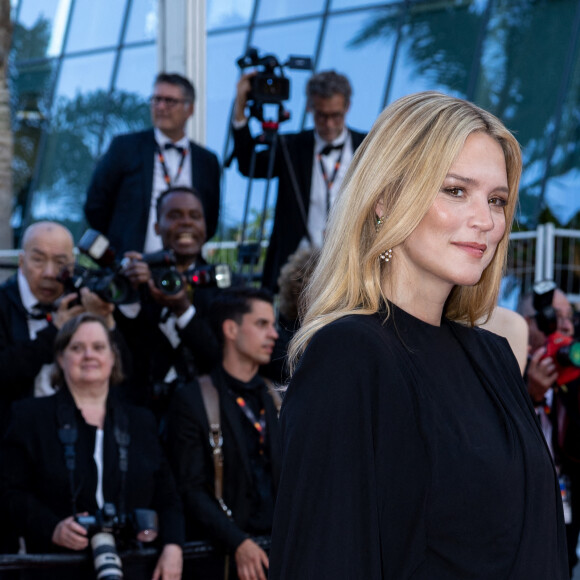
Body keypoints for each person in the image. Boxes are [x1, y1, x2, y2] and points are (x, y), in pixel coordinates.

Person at [268, 91, 568, 579]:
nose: (486, 221)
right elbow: (325, 554)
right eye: (455, 190)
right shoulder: (350, 354)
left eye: (496, 200)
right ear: (384, 198)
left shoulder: (493, 357)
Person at [0, 313, 184, 579]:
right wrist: (53, 527)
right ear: (60, 358)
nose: (89, 355)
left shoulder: (141, 421)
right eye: (76, 348)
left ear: (113, 358)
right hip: (56, 570)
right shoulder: (29, 417)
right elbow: (8, 493)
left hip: (135, 567)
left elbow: (168, 496)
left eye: (99, 347)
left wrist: (173, 546)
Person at [165, 287, 281, 580]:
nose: (274, 334)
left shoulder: (278, 398)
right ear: (231, 329)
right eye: (262, 324)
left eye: (273, 325)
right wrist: (238, 542)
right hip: (220, 560)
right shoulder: (193, 400)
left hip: (281, 553)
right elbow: (190, 488)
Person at [232, 70, 366, 291]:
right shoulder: (291, 146)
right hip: (297, 270)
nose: (330, 124)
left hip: (351, 267)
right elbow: (248, 165)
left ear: (348, 107)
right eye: (322, 115)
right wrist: (240, 109)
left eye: (336, 115)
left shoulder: (366, 146)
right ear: (309, 107)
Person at [84, 72, 221, 255]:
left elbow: (210, 219)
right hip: (130, 266)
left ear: (190, 109)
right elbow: (95, 205)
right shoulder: (125, 147)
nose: (161, 107)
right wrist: (120, 245)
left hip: (183, 271)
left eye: (170, 101)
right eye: (156, 100)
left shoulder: (207, 161)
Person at [115, 186, 220, 420]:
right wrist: (128, 291)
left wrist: (182, 307)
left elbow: (219, 358)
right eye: (174, 215)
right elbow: (122, 354)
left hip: (205, 416)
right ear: (156, 226)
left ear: (205, 226)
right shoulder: (135, 277)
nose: (186, 223)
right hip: (138, 416)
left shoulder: (223, 282)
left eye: (195, 216)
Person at [519, 286, 580, 574]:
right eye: (555, 317)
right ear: (528, 323)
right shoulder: (506, 374)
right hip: (526, 512)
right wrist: (530, 397)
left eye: (570, 317)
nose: (566, 326)